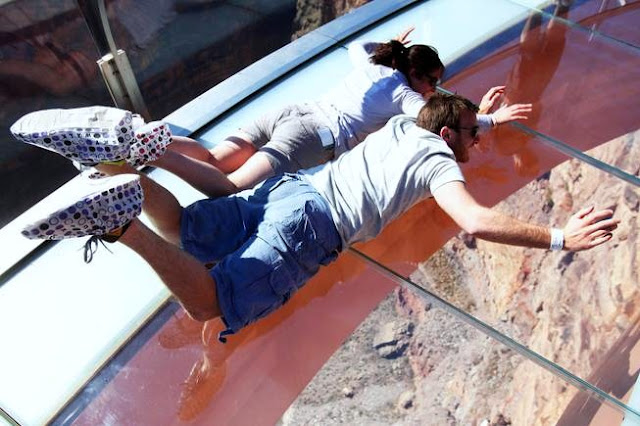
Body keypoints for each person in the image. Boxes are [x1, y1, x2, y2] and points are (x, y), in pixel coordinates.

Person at [18, 93, 618, 343]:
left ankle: (124, 158)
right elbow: (477, 221)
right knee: (214, 303)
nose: (474, 146)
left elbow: (436, 110)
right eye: (469, 137)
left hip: (293, 191)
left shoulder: (407, 122)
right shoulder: (437, 157)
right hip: (312, 229)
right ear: (446, 135)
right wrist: (562, 235)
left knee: (188, 230)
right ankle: (121, 223)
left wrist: (482, 120)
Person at [146, 28, 532, 197]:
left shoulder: (374, 65)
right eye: (430, 79)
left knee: (215, 158)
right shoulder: (402, 94)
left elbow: (357, 46)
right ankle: (154, 153)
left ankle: (146, 140)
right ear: (414, 73)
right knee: (230, 187)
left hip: (293, 112)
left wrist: (394, 43)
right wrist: (490, 119)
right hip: (312, 137)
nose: (433, 88)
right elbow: (441, 121)